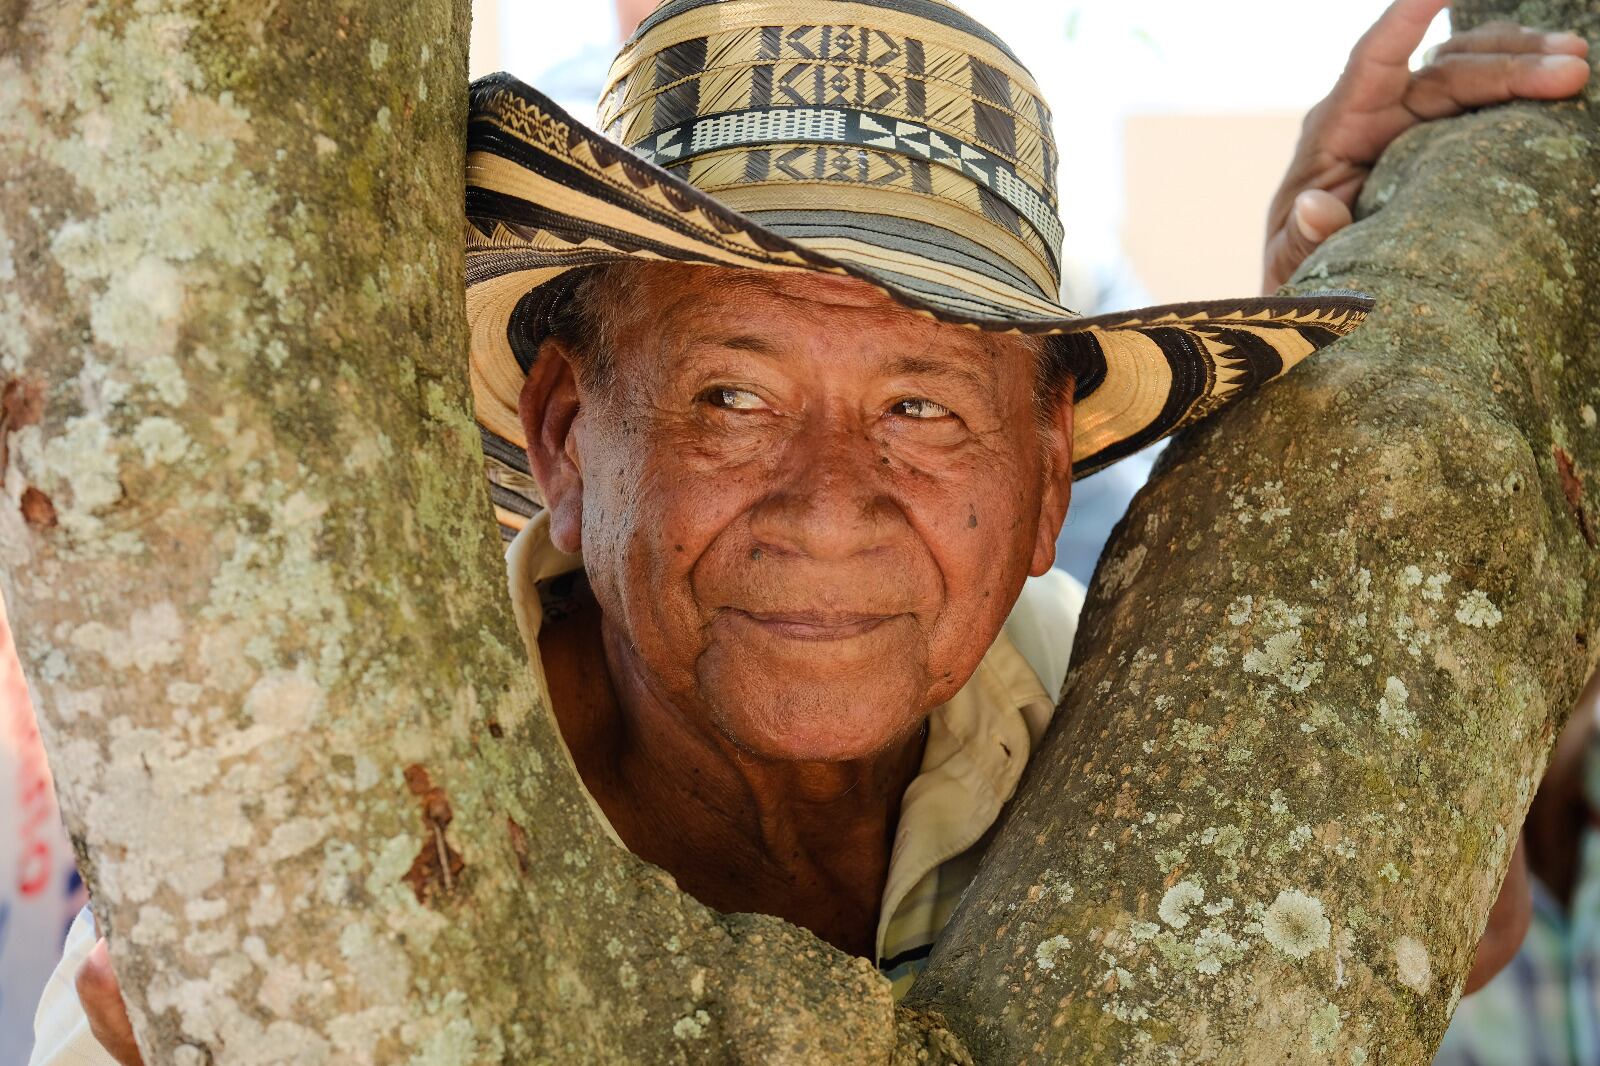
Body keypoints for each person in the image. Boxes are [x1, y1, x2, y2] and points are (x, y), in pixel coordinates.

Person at [32, 1, 1591, 1063]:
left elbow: (1453, 909)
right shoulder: (336, 818)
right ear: (569, 437)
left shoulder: (1063, 692)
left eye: (925, 408)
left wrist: (1386, 329)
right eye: (731, 397)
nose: (831, 501)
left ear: (1050, 476)